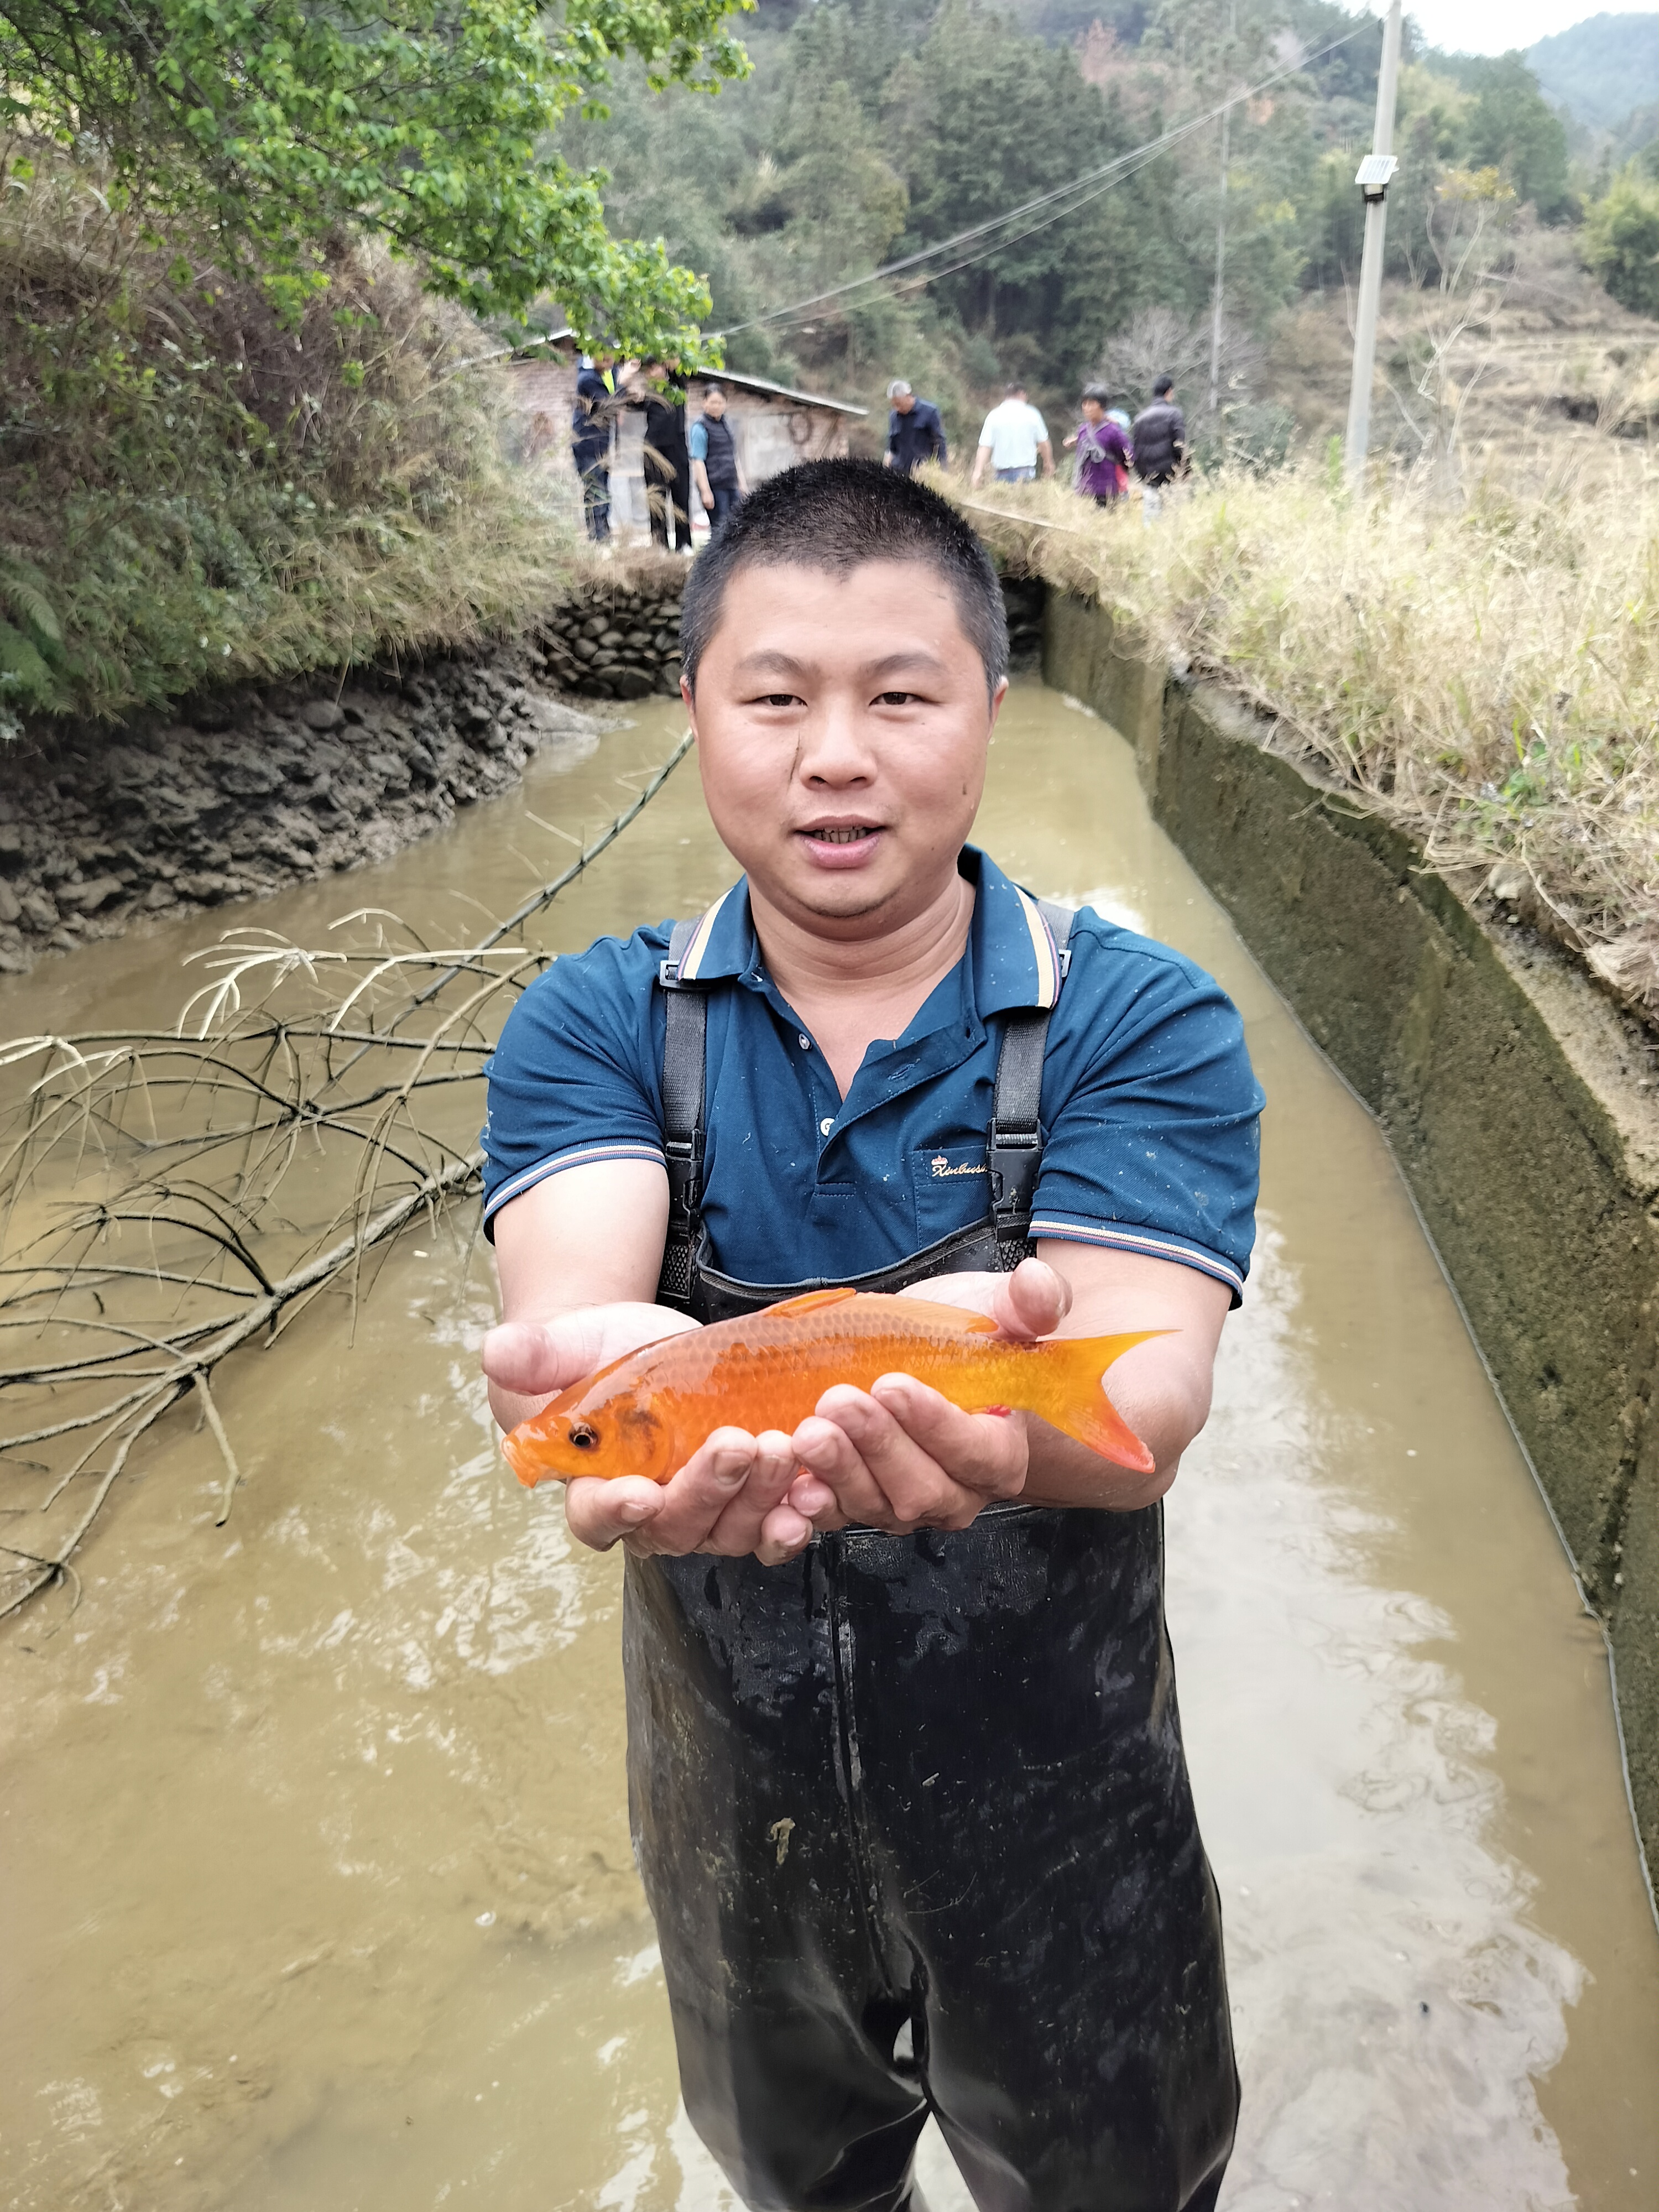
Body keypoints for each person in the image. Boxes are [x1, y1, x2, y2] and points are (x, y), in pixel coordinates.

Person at [481, 458, 1262, 2212]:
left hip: (1071, 1830)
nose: (834, 753)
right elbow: (574, 1299)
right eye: (774, 697)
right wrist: (589, 1370)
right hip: (729, 1827)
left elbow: (1149, 1385)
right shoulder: (597, 1021)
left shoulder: (1136, 1017)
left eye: (899, 695)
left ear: (993, 703)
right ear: (694, 711)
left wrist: (1011, 1431)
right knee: (804, 2190)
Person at [632, 359, 692, 553]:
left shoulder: (676, 387)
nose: (652, 372)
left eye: (655, 367)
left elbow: (680, 372)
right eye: (648, 369)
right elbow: (623, 399)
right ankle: (660, 545)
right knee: (656, 500)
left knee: (681, 498)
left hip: (677, 449)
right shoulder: (646, 394)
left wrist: (670, 357)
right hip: (653, 451)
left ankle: (684, 544)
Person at [572, 352, 623, 543]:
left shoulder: (600, 375)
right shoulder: (587, 379)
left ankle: (602, 533)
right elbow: (609, 405)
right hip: (588, 445)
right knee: (596, 490)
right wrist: (623, 385)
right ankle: (598, 536)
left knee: (601, 488)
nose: (610, 365)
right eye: (607, 360)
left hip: (600, 444)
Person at [969, 380, 1054, 486]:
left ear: (1007, 395)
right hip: (1025, 473)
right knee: (1024, 502)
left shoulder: (994, 415)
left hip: (1001, 474)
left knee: (1001, 502)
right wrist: (1048, 463)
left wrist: (978, 472)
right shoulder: (1032, 415)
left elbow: (985, 446)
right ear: (1022, 394)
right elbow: (1044, 443)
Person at [690, 383, 748, 535]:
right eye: (713, 402)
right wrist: (705, 491)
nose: (716, 406)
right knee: (720, 532)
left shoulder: (726, 425)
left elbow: (733, 456)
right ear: (704, 403)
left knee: (737, 527)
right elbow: (698, 461)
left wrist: (741, 483)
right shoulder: (700, 428)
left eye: (720, 402)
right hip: (716, 487)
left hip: (731, 484)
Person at [1131, 373, 1188, 521]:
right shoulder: (1174, 415)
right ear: (1169, 392)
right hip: (1171, 480)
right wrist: (1186, 471)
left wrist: (1143, 476)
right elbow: (1180, 446)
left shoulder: (1139, 420)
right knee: (1171, 523)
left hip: (1150, 481)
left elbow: (1135, 452)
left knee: (1151, 524)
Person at [1065, 380, 1133, 505]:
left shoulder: (1113, 431)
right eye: (1084, 404)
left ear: (1102, 406)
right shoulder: (1083, 430)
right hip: (1084, 492)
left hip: (1107, 493)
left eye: (1091, 404)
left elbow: (1128, 457)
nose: (1086, 408)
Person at [883, 378, 948, 476]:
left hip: (922, 474)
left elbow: (939, 443)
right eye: (894, 405)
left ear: (908, 396)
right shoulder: (893, 416)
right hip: (897, 474)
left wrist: (943, 469)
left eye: (899, 404)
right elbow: (891, 448)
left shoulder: (930, 412)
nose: (897, 408)